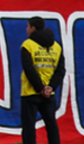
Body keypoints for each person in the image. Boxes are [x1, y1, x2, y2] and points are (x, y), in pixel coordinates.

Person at [19, 16, 65, 144]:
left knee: (29, 127)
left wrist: (40, 88)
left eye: (28, 26)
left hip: (30, 93)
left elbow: (29, 69)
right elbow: (60, 70)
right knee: (51, 125)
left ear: (33, 28)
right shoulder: (57, 47)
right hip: (49, 94)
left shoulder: (27, 45)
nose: (26, 29)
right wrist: (51, 87)